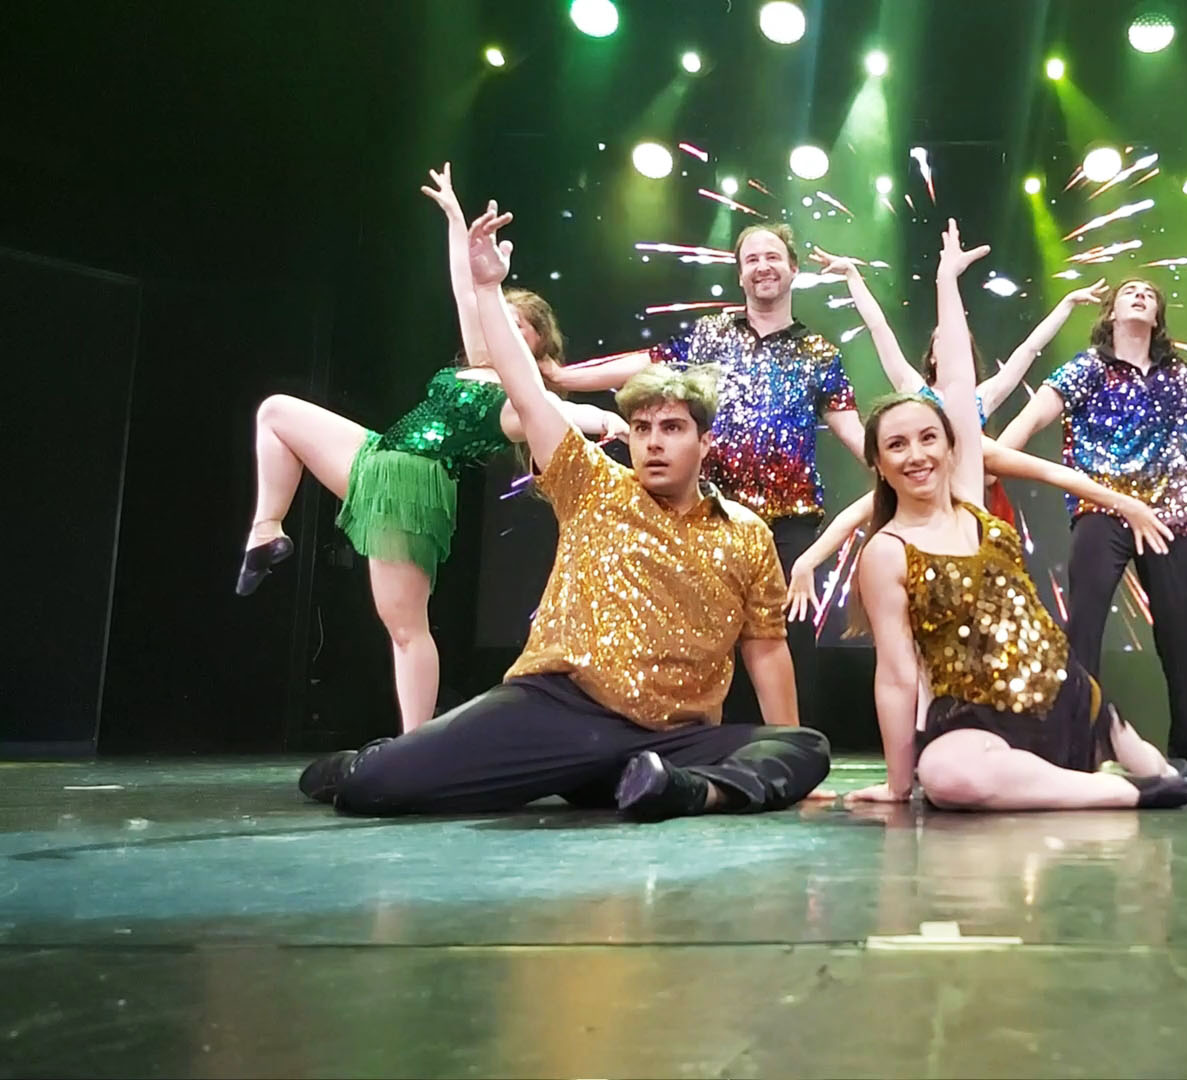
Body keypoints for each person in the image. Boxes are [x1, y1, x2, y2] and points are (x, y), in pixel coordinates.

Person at [295, 201, 829, 819]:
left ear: (705, 442)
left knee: (804, 748)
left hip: (669, 738)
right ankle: (373, 763)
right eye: (642, 428)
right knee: (375, 788)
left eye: (672, 428)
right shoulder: (593, 483)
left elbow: (766, 649)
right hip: (557, 709)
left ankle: (682, 790)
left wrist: (787, 754)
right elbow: (527, 392)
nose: (654, 442)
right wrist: (487, 291)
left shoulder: (747, 533)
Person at [238, 165, 626, 732]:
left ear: (539, 347)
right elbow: (465, 286)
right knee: (276, 412)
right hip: (379, 454)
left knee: (404, 626)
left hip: (411, 483)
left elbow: (566, 413)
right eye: (502, 319)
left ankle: (414, 740)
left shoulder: (521, 398)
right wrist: (453, 216)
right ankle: (266, 531)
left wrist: (607, 419)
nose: (502, 328)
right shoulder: (476, 359)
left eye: (520, 328)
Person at [837, 220, 1187, 811]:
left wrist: (947, 282)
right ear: (877, 462)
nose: (916, 455)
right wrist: (899, 788)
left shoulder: (969, 497)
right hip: (974, 719)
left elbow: (959, 377)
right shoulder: (887, 551)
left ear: (952, 446)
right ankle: (1115, 792)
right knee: (945, 779)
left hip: (1058, 694)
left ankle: (1111, 752)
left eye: (928, 438)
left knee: (1161, 770)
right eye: (896, 445)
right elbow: (898, 677)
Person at [543, 224, 862, 727]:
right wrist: (564, 379)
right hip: (712, 517)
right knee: (704, 638)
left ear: (793, 268)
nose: (762, 266)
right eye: (751, 259)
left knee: (784, 643)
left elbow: (851, 428)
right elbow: (644, 364)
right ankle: (705, 743)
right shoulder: (711, 334)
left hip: (788, 527)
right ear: (740, 274)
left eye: (772, 257)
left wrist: (900, 458)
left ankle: (787, 746)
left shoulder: (819, 354)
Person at [786, 253, 1167, 621]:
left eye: (960, 343)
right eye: (944, 341)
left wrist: (1065, 305)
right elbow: (879, 329)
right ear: (933, 356)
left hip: (977, 514)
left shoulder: (980, 405)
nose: (953, 346)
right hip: (922, 512)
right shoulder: (916, 394)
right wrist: (853, 277)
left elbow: (1029, 351)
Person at [994, 280, 1187, 780]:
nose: (1140, 295)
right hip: (1102, 508)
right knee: (1085, 627)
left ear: (1157, 316)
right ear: (1111, 313)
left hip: (1169, 516)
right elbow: (1032, 418)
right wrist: (992, 463)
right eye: (1129, 292)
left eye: (1149, 294)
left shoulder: (1178, 375)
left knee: (1185, 634)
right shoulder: (1087, 368)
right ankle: (1076, 746)